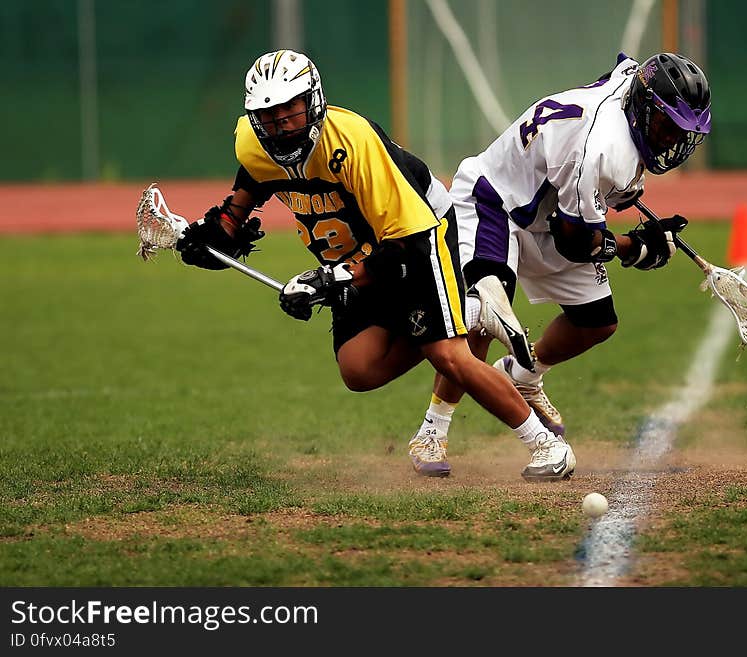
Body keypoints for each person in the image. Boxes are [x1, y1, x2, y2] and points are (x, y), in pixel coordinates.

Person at [174, 49, 574, 481]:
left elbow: (405, 242)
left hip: (420, 233)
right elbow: (244, 196)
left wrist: (331, 279)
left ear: (313, 100)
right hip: (355, 255)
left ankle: (547, 447)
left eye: (290, 108)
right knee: (359, 368)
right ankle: (469, 311)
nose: (282, 123)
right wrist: (212, 232)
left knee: (447, 354)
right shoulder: (254, 147)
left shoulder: (353, 143)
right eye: (268, 115)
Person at [407, 52, 711, 476]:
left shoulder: (629, 89)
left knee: (597, 321)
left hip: (546, 214)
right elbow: (577, 243)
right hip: (495, 202)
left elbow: (621, 68)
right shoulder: (603, 150)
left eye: (680, 132)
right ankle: (432, 432)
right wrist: (637, 249)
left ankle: (523, 374)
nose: (670, 141)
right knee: (480, 322)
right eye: (665, 127)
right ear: (643, 109)